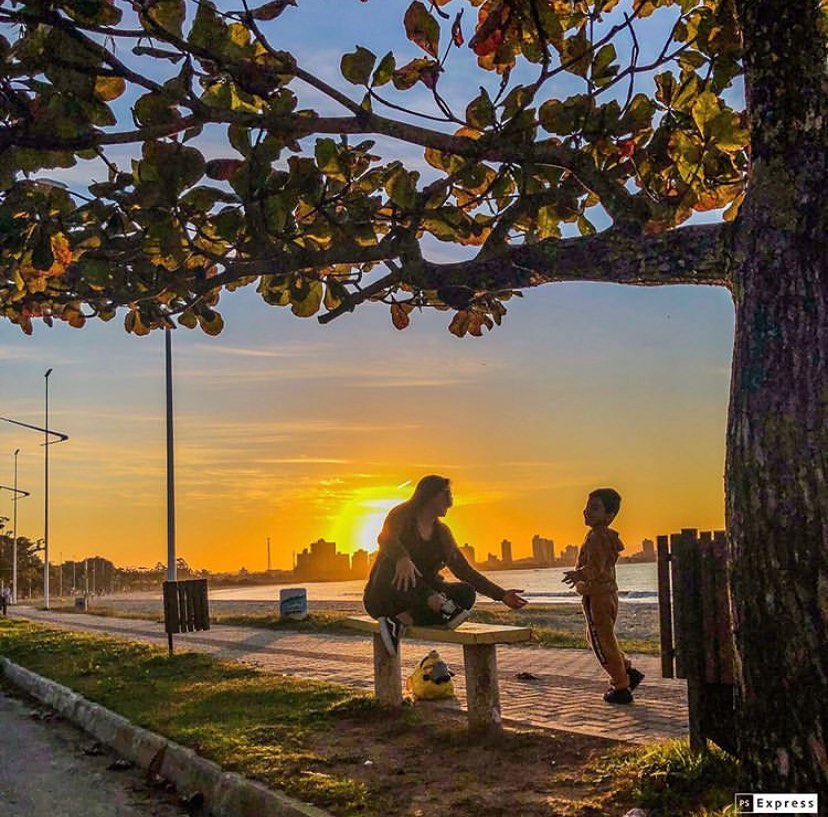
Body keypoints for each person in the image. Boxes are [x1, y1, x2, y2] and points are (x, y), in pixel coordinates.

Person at [363, 475, 528, 656]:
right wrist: (402, 558)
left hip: (419, 600)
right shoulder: (401, 515)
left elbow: (464, 571)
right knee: (395, 565)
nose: (451, 501)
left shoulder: (442, 533)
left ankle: (399, 620)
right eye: (446, 494)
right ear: (430, 495)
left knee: (465, 593)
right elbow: (386, 538)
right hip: (384, 596)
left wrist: (502, 595)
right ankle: (421, 605)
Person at [562, 488, 644, 704]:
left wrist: (578, 574)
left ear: (609, 515)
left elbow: (596, 567)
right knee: (601, 637)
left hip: (597, 596)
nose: (587, 511)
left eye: (594, 508)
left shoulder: (598, 536)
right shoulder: (603, 536)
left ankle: (620, 686)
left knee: (601, 643)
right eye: (587, 507)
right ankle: (626, 670)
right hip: (607, 594)